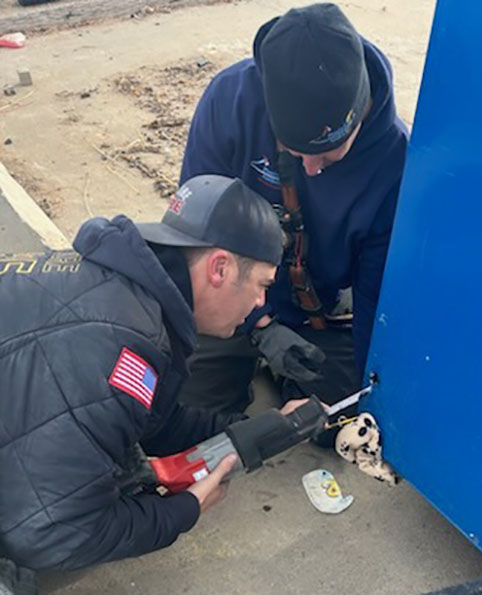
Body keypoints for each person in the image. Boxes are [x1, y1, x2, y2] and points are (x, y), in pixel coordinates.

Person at [0, 175, 305, 577]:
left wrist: (264, 429)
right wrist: (181, 512)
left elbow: (154, 421)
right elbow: (56, 536)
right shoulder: (122, 345)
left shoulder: (123, 294)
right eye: (262, 285)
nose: (260, 303)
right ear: (220, 268)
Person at [178, 3, 408, 434]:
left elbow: (375, 298)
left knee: (331, 424)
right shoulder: (229, 101)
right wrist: (259, 326)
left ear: (360, 113)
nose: (311, 169)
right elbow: (193, 233)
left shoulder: (395, 162)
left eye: (327, 154)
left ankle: (284, 373)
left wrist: (368, 385)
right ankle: (252, 358)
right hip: (228, 298)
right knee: (185, 416)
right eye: (297, 151)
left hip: (317, 317)